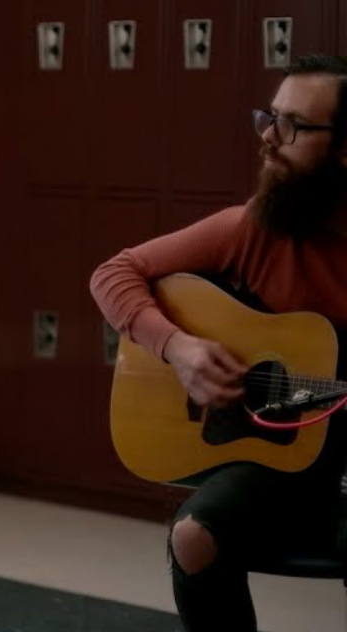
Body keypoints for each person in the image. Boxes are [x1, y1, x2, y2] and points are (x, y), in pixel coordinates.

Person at [90, 53, 347, 632]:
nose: (268, 139)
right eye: (268, 117)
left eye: (293, 127)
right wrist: (178, 348)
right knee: (194, 536)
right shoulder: (253, 227)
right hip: (284, 459)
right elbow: (113, 274)